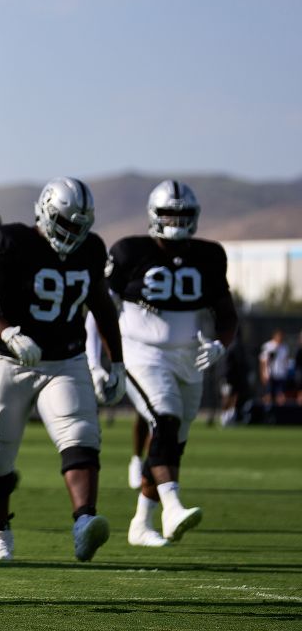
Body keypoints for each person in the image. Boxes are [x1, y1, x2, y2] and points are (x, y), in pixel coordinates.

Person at [0, 178, 125, 563]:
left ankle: (84, 522)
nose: (71, 233)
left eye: (78, 226)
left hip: (64, 359)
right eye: (64, 223)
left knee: (81, 435)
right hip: (8, 359)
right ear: (45, 212)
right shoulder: (10, 240)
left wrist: (115, 361)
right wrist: (7, 332)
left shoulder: (91, 249)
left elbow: (102, 305)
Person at [105, 180, 238, 547]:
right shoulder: (130, 251)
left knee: (171, 443)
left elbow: (226, 315)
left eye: (183, 214)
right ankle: (173, 505)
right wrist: (96, 359)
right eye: (169, 214)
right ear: (154, 215)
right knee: (164, 420)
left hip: (188, 358)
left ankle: (140, 524)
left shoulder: (209, 255)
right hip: (141, 352)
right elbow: (99, 308)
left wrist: (219, 346)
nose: (177, 222)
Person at [260, 329, 291, 410]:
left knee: (280, 396)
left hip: (280, 375)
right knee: (268, 395)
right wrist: (263, 374)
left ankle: (280, 413)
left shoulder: (285, 348)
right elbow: (263, 362)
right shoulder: (267, 346)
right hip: (269, 375)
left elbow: (286, 362)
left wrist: (286, 372)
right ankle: (266, 412)